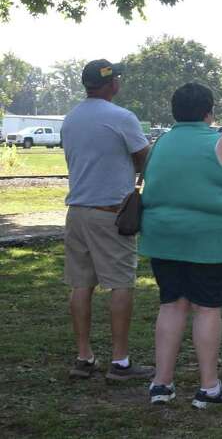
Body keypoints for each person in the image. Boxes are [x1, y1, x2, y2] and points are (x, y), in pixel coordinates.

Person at [140, 82, 222, 408]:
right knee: (207, 308)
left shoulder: (159, 143)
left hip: (163, 238)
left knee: (171, 304)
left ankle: (161, 384)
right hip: (211, 240)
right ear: (209, 111)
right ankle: (209, 387)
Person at [60, 59, 153, 382]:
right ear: (112, 84)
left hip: (77, 212)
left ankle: (83, 357)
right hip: (110, 214)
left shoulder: (71, 119)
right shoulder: (122, 117)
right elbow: (145, 159)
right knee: (121, 283)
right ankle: (121, 361)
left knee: (81, 284)